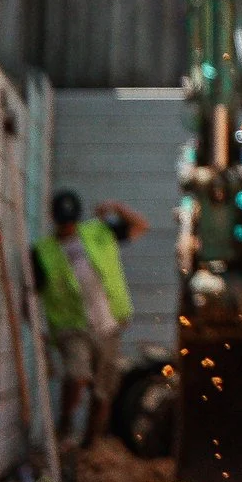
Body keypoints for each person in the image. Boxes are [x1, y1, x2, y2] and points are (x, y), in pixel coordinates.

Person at [33, 188, 146, 451]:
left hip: (108, 325)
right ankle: (66, 426)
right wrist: (38, 330)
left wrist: (117, 206)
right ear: (54, 220)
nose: (68, 228)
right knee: (77, 374)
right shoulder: (43, 251)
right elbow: (31, 294)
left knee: (103, 392)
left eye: (71, 223)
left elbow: (141, 226)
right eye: (63, 223)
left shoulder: (98, 233)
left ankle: (90, 446)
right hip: (71, 326)